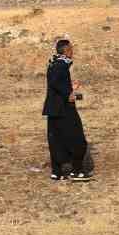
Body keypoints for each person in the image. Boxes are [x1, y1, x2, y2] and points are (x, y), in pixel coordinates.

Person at [43, 38, 91, 181]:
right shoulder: (60, 65)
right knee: (78, 140)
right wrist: (69, 93)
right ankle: (77, 171)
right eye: (71, 49)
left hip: (53, 109)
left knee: (56, 140)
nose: (73, 52)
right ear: (66, 50)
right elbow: (56, 83)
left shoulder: (53, 64)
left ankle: (57, 171)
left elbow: (55, 83)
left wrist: (69, 87)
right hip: (64, 109)